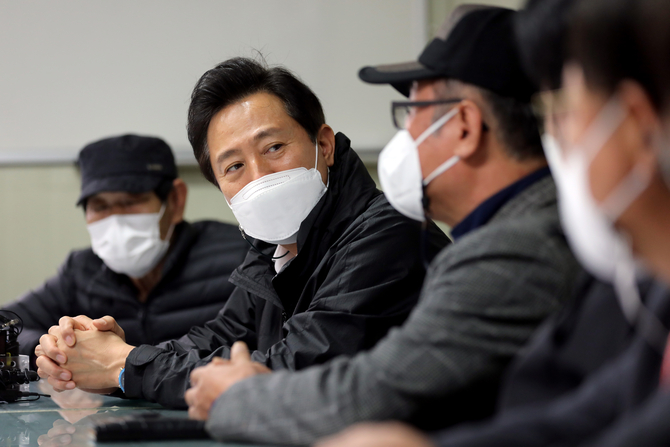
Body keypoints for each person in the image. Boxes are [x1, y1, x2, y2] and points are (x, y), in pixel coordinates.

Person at [176, 7, 581, 445]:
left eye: (412, 112)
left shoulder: (512, 252)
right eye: (234, 166)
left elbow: (370, 392)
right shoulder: (500, 237)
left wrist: (236, 397)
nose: (405, 137)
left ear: (464, 126)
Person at [317, 0, 670, 445]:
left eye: (563, 111)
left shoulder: (525, 250)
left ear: (637, 124)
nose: (556, 138)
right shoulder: (657, 294)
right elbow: (582, 417)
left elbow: (369, 392)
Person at [34, 58, 450, 406]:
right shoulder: (273, 249)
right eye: (234, 166)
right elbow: (219, 339)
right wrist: (98, 358)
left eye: (274, 148)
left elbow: (291, 371)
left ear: (324, 146)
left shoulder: (387, 231)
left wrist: (124, 366)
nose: (259, 177)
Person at [2, 134, 248, 368]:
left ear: (175, 200)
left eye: (131, 202)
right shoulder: (81, 271)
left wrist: (123, 363)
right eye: (100, 206)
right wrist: (51, 349)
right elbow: (5, 324)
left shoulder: (240, 257)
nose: (116, 220)